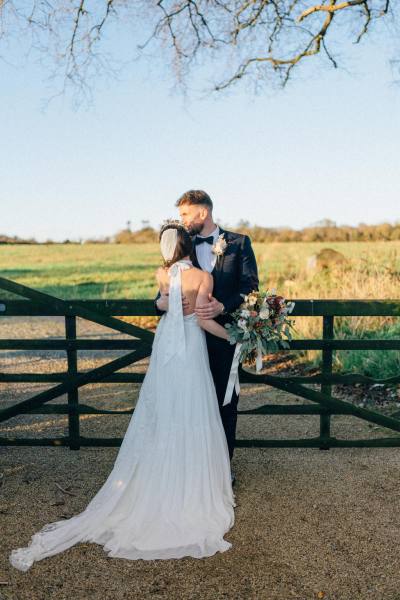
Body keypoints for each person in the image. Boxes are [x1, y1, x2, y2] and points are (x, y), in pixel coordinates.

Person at [9, 221, 236, 572]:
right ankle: (188, 478)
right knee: (192, 409)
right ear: (189, 246)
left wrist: (166, 302)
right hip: (189, 348)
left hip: (165, 349)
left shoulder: (161, 274)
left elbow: (163, 303)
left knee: (162, 408)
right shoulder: (202, 278)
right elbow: (205, 321)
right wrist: (234, 337)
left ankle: (155, 476)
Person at [155, 190, 259, 486]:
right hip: (188, 342)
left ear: (203, 212)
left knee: (226, 404)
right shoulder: (181, 248)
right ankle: (190, 467)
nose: (183, 220)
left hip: (222, 337)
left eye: (186, 214)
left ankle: (221, 471)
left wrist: (223, 305)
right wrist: (161, 304)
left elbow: (250, 286)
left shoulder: (239, 243)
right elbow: (161, 295)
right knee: (189, 404)